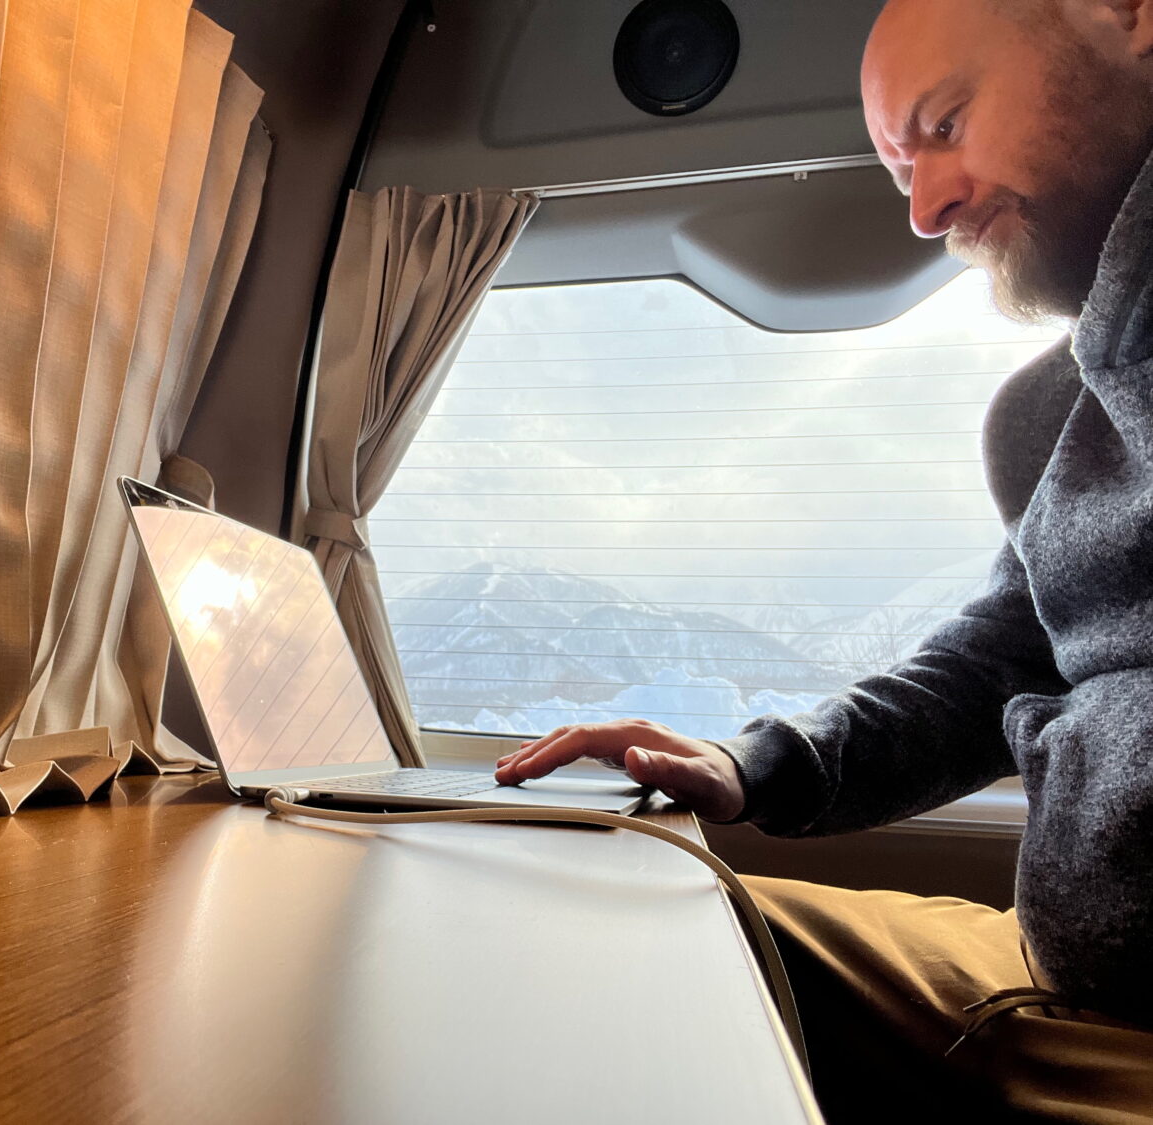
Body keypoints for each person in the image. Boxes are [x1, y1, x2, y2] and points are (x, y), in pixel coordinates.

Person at [493, 0, 1153, 1119]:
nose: (926, 208)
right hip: (1055, 976)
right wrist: (751, 765)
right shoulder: (1054, 417)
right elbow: (991, 668)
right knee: (611, 924)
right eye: (900, 169)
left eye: (944, 124)